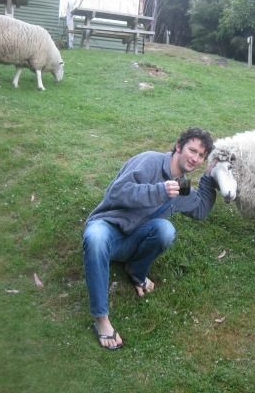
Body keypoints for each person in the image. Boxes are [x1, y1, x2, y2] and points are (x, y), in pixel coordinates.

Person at [82, 127, 217, 350]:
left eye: (201, 156)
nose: (195, 158)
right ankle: (101, 319)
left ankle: (136, 272)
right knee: (95, 237)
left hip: (132, 242)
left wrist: (211, 179)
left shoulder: (182, 187)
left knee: (166, 230)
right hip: (109, 229)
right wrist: (159, 191)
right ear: (178, 146)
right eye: (192, 150)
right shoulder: (149, 161)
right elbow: (116, 192)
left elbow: (200, 209)